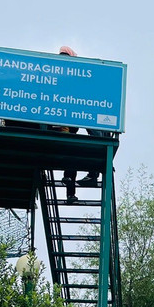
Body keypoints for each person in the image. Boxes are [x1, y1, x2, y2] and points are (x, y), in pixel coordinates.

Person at [56, 46, 104, 204]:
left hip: (68, 122)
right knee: (72, 150)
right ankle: (79, 181)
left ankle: (72, 189)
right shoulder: (66, 75)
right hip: (64, 122)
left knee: (72, 152)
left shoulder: (71, 76)